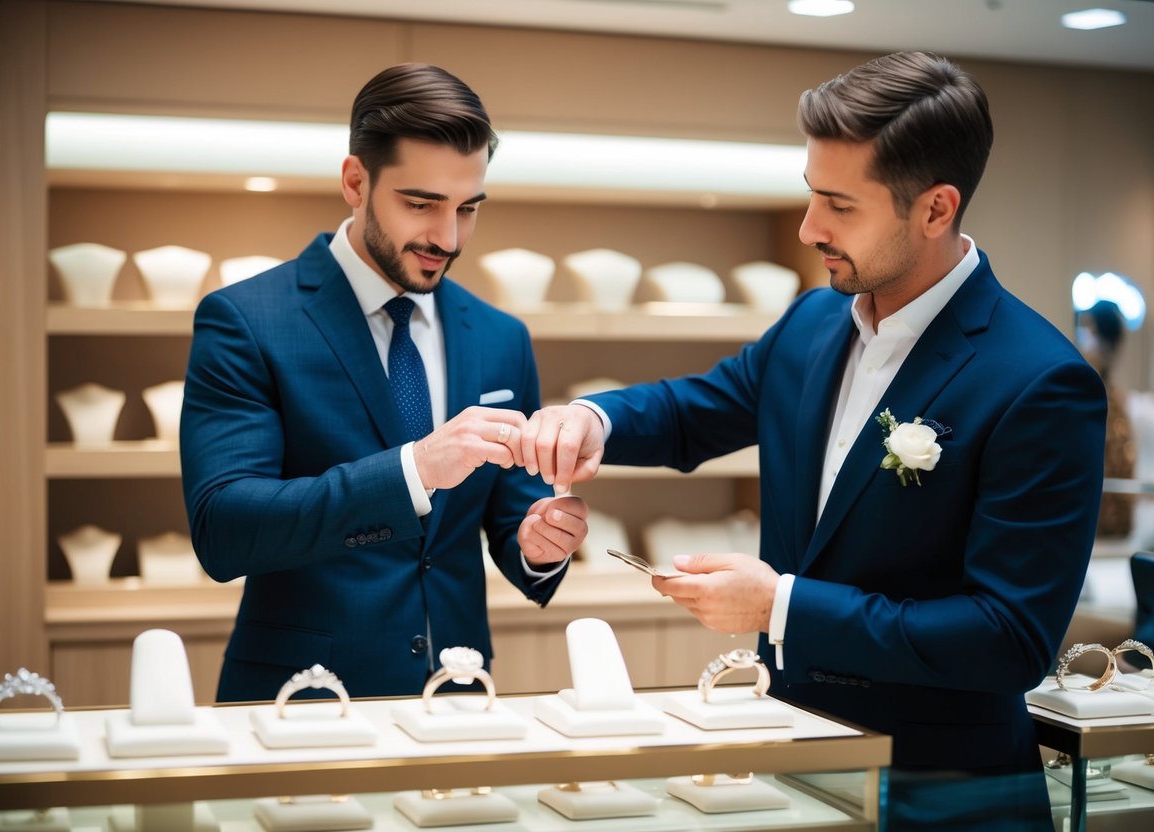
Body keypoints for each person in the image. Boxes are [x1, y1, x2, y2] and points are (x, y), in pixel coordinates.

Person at [521, 51, 1105, 830]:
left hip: (949, 796)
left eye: (838, 205)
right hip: (792, 774)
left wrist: (779, 604)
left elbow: (1007, 639)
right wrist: (593, 418)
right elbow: (701, 408)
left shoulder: (1039, 381)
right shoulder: (810, 321)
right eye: (809, 195)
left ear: (934, 210)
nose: (808, 229)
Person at [180, 63, 587, 703]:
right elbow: (225, 529)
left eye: (468, 208)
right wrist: (415, 470)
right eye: (421, 204)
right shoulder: (246, 320)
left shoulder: (502, 336)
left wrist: (540, 545)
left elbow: (511, 520)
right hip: (301, 704)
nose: (447, 239)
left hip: (459, 701)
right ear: (355, 182)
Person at [1075, 299, 1136, 538]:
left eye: (1089, 332)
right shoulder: (1091, 395)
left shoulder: (1115, 403)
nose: (1084, 341)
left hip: (1108, 527)